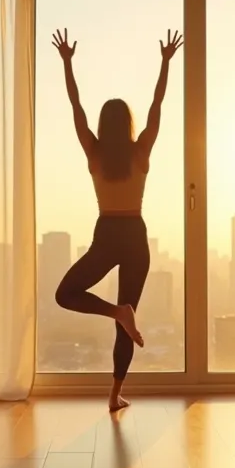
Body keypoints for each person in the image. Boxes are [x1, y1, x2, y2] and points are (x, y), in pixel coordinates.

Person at [51, 27, 183, 411]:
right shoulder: (141, 152)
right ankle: (114, 394)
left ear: (102, 125)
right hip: (135, 235)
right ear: (127, 123)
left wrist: (67, 63)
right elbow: (157, 105)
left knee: (65, 294)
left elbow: (75, 107)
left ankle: (118, 315)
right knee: (126, 318)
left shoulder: (94, 153)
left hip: (107, 232)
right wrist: (165, 63)